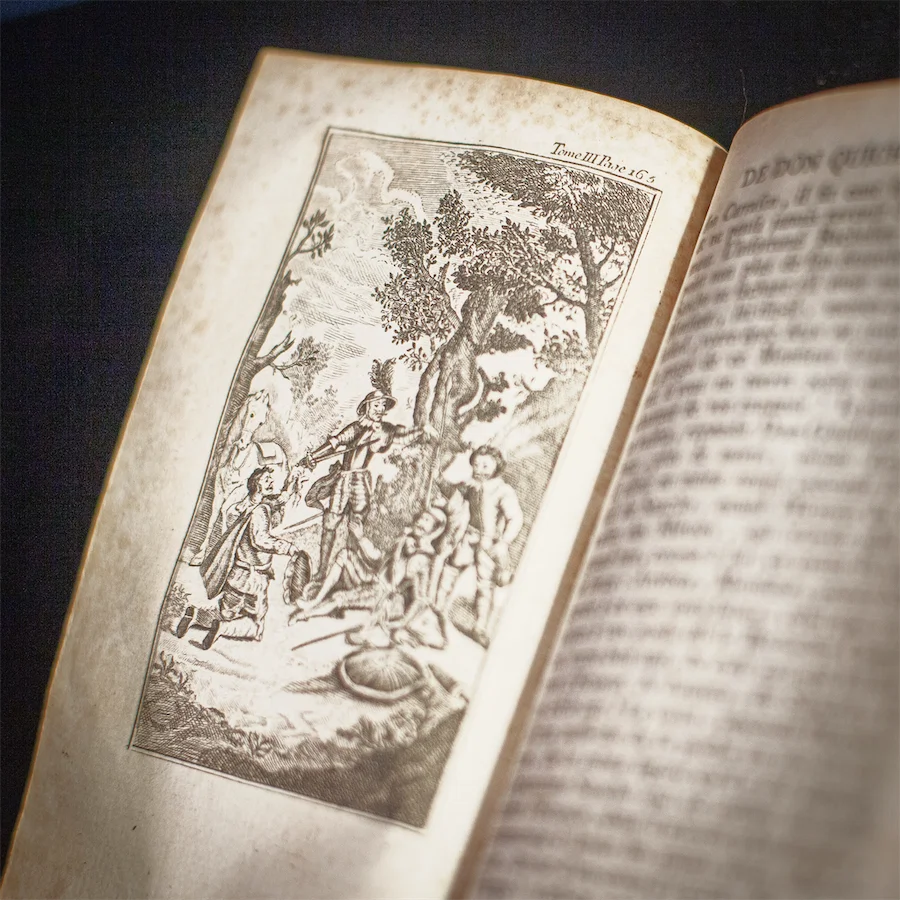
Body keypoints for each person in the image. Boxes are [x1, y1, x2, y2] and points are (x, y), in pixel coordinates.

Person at [301, 386, 427, 574]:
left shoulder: (384, 430)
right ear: (367, 406)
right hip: (343, 479)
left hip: (360, 480)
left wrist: (422, 431)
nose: (380, 409)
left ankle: (350, 567)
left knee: (357, 522)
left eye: (383, 405)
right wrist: (314, 456)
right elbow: (335, 442)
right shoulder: (356, 427)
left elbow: (401, 435)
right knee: (330, 521)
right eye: (376, 405)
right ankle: (322, 569)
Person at [290, 508, 449, 648]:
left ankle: (304, 615)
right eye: (421, 517)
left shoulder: (423, 558)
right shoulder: (407, 540)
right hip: (372, 578)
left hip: (381, 592)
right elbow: (378, 559)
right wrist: (361, 538)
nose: (420, 521)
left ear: (434, 530)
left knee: (340, 597)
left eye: (426, 520)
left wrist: (401, 623)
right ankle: (316, 599)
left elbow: (421, 598)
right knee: (345, 555)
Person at [176, 466, 293, 650]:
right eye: (266, 480)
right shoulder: (261, 510)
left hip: (237, 573)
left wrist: (290, 487)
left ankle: (196, 615)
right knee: (256, 624)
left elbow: (278, 501)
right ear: (257, 485)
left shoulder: (244, 506)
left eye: (271, 479)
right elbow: (260, 540)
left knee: (226, 612)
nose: (271, 482)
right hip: (254, 578)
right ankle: (223, 628)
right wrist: (287, 547)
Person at [434, 446, 523, 648]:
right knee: (451, 569)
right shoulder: (471, 486)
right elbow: (451, 491)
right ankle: (436, 608)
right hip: (468, 536)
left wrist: (504, 542)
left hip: (489, 544)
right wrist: (439, 478)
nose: (479, 469)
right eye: (476, 464)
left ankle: (480, 627)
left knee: (485, 585)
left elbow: (515, 518)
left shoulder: (503, 491)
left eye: (485, 465)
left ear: (496, 467)